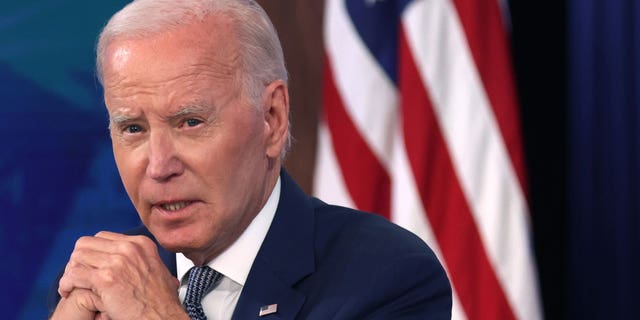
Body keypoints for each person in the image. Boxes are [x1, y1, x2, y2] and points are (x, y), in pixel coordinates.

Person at [47, 0, 452, 319]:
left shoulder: (386, 278)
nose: (158, 166)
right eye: (133, 128)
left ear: (272, 119)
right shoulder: (103, 284)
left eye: (190, 122)